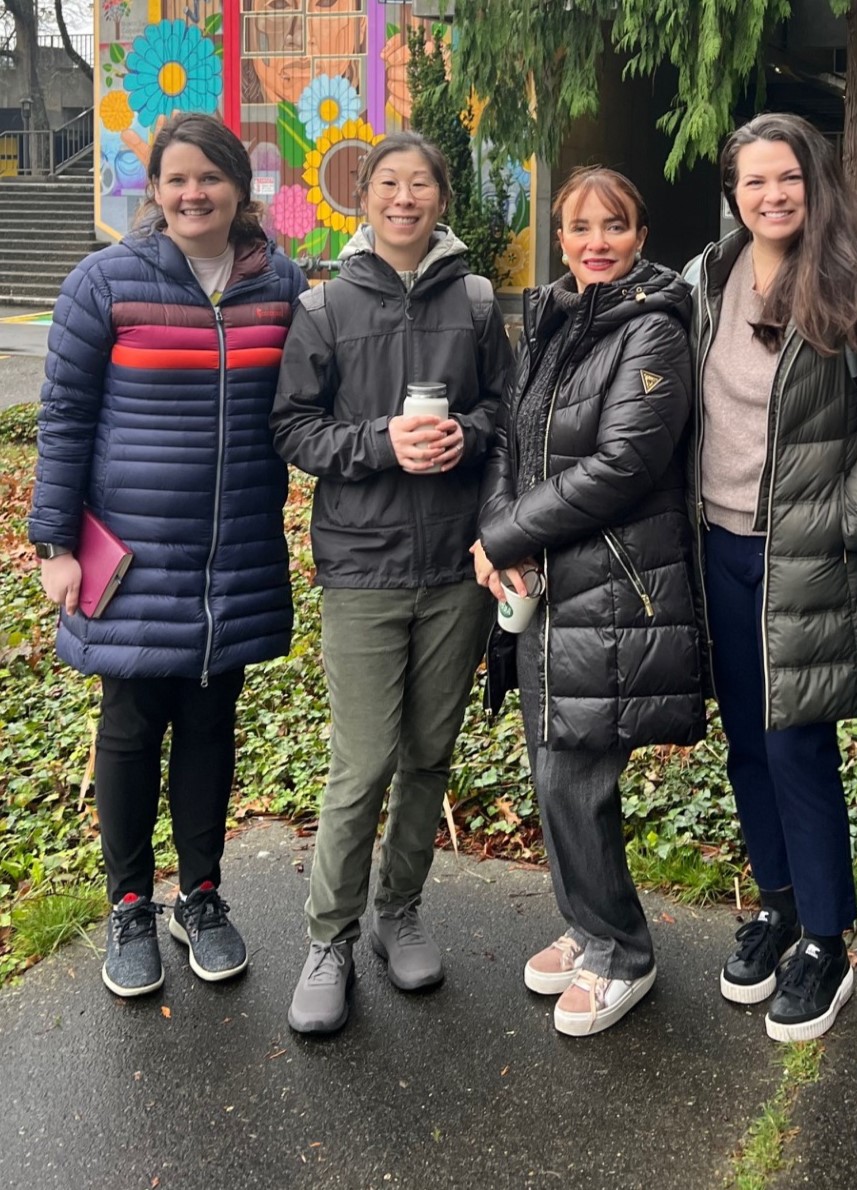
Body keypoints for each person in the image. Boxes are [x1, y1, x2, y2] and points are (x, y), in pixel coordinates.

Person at [28, 112, 306, 997]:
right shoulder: (104, 281)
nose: (195, 194)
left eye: (211, 178)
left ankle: (203, 895)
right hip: (134, 558)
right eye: (177, 179)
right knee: (130, 726)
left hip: (235, 558)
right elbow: (65, 417)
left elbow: (305, 411)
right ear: (154, 190)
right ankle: (129, 905)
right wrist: (54, 541)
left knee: (212, 728)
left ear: (239, 188)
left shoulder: (280, 286)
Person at [272, 131, 512, 1035]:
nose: (404, 198)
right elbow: (293, 428)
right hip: (363, 567)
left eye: (420, 184)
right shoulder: (325, 305)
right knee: (363, 761)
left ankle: (397, 913)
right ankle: (328, 937)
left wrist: (471, 438)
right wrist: (378, 443)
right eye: (387, 184)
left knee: (427, 757)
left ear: (441, 198)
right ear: (362, 199)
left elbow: (504, 411)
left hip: (456, 567)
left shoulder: (479, 301)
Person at [472, 166, 704, 1037]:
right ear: (559, 237)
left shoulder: (654, 327)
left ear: (641, 236)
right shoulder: (553, 318)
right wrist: (501, 525)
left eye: (615, 225)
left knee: (577, 777)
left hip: (613, 580)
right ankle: (586, 924)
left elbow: (624, 464)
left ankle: (623, 953)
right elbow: (512, 434)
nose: (596, 241)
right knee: (550, 764)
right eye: (579, 227)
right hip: (548, 580)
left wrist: (506, 538)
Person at [688, 113, 857, 1042]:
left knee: (797, 749)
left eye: (787, 178)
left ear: (814, 180)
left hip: (804, 550)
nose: (771, 196)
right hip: (717, 545)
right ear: (734, 192)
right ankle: (775, 904)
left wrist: (849, 518)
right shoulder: (714, 273)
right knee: (744, 739)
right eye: (752, 181)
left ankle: (825, 937)